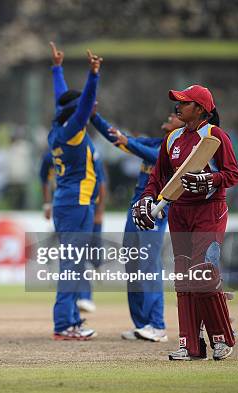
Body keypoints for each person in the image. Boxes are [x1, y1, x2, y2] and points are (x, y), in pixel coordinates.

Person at [132, 85, 238, 360]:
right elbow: (158, 178)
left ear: (201, 108)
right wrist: (145, 200)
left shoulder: (214, 136)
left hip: (209, 210)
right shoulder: (172, 140)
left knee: (202, 274)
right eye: (177, 103)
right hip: (179, 212)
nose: (177, 107)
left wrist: (208, 180)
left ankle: (221, 338)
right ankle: (190, 345)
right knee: (184, 278)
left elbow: (232, 174)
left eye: (184, 103)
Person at [90, 110, 186, 342]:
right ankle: (142, 324)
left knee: (148, 265)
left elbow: (157, 158)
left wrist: (129, 143)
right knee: (132, 266)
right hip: (135, 210)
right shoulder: (153, 141)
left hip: (155, 211)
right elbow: (117, 138)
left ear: (184, 125)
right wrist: (93, 117)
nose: (171, 116)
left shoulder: (180, 149)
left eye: (176, 114)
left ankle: (158, 325)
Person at [47, 41, 102, 340]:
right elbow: (81, 104)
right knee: (71, 266)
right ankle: (63, 325)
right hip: (76, 205)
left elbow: (64, 100)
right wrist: (93, 76)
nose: (90, 108)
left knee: (74, 264)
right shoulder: (72, 131)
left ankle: (70, 319)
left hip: (68, 204)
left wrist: (57, 69)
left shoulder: (60, 128)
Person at [39, 149, 105, 314]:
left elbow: (102, 183)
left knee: (91, 255)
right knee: (75, 253)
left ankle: (92, 275)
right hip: (69, 208)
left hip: (90, 206)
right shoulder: (52, 155)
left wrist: (100, 211)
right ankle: (83, 296)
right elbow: (44, 179)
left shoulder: (87, 151)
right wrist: (47, 204)